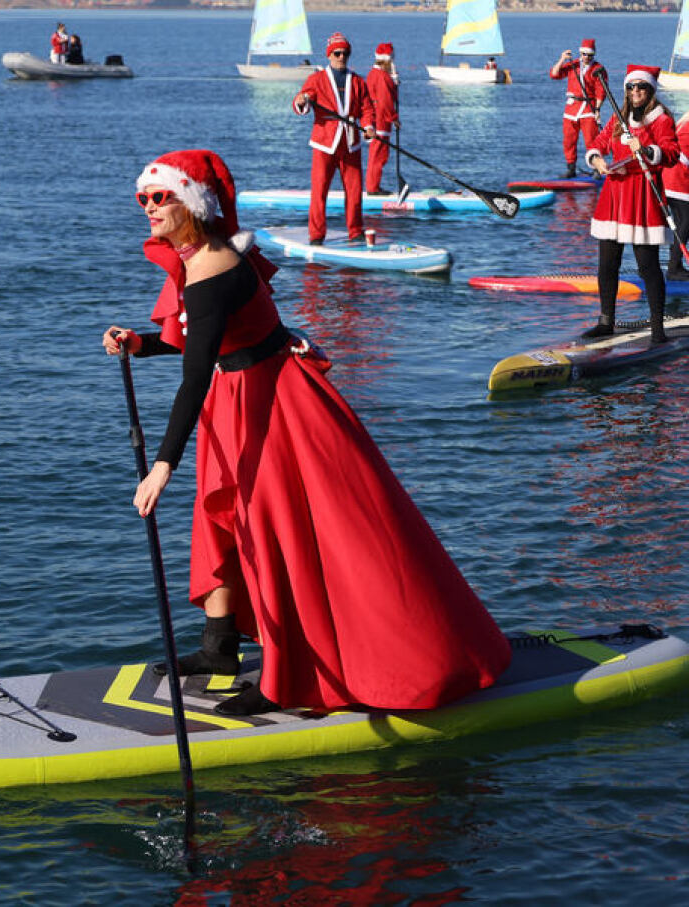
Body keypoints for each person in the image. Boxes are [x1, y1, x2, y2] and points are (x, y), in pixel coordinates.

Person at [102, 149, 511, 716]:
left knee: (274, 533)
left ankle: (282, 676)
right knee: (221, 521)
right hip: (239, 397)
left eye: (160, 197)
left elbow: (193, 376)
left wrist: (162, 466)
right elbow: (191, 343)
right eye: (143, 198)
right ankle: (219, 648)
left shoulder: (211, 269)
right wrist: (138, 342)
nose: (148, 208)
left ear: (191, 204)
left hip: (271, 405)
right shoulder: (196, 259)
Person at [583, 65, 680, 343]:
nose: (635, 91)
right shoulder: (619, 116)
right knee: (607, 264)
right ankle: (605, 322)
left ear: (650, 90)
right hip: (614, 195)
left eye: (641, 87)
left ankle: (658, 330)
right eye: (631, 87)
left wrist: (648, 150)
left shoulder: (660, 119)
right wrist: (597, 159)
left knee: (647, 266)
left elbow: (671, 152)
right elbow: (598, 142)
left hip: (642, 195)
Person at [293, 32, 376, 244]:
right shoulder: (316, 79)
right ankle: (317, 235)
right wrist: (302, 101)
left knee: (355, 191)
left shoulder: (357, 81)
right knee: (320, 190)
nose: (341, 57)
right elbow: (301, 101)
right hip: (324, 143)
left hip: (350, 144)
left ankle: (356, 232)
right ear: (329, 55)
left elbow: (367, 108)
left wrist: (368, 126)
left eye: (345, 53)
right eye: (337, 53)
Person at [549, 39, 607, 179]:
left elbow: (601, 91)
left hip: (588, 108)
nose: (586, 57)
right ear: (580, 53)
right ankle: (571, 168)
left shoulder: (598, 69)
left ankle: (596, 168)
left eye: (590, 55)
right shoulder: (573, 65)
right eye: (584, 54)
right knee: (569, 140)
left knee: (591, 140)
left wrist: (597, 110)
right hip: (571, 108)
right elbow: (554, 74)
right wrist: (562, 59)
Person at [365, 42, 399, 196]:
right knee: (379, 155)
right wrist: (394, 118)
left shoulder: (373, 73)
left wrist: (393, 81)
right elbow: (385, 101)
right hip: (381, 121)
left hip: (376, 119)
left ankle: (373, 186)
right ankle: (373, 188)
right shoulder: (382, 77)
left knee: (376, 154)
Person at [662, 109, 689, 282]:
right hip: (677, 177)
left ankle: (676, 265)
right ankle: (673, 268)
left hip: (672, 175)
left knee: (683, 221)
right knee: (685, 221)